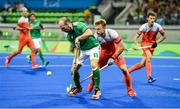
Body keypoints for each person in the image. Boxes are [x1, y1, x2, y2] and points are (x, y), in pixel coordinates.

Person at [87, 19, 137, 96]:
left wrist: (113, 57)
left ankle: (130, 90)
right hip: (104, 54)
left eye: (99, 29)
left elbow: (122, 47)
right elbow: (94, 51)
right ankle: (92, 83)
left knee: (124, 70)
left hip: (115, 53)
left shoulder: (112, 33)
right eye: (96, 29)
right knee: (94, 72)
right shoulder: (95, 37)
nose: (97, 31)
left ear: (104, 27)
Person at [58, 17, 101, 99]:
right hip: (83, 51)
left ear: (68, 24)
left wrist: (78, 38)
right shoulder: (69, 36)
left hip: (93, 47)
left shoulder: (79, 25)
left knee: (94, 65)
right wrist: (76, 60)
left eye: (63, 27)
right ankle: (78, 87)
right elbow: (75, 48)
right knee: (73, 70)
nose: (62, 30)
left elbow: (89, 33)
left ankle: (97, 89)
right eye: (60, 28)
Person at [127, 11, 167, 83]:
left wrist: (156, 42)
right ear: (147, 19)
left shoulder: (158, 26)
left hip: (152, 45)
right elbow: (135, 38)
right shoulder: (143, 27)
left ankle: (127, 72)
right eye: (151, 18)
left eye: (153, 18)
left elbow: (164, 36)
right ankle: (149, 78)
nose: (152, 20)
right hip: (145, 44)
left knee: (142, 64)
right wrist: (136, 45)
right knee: (149, 57)